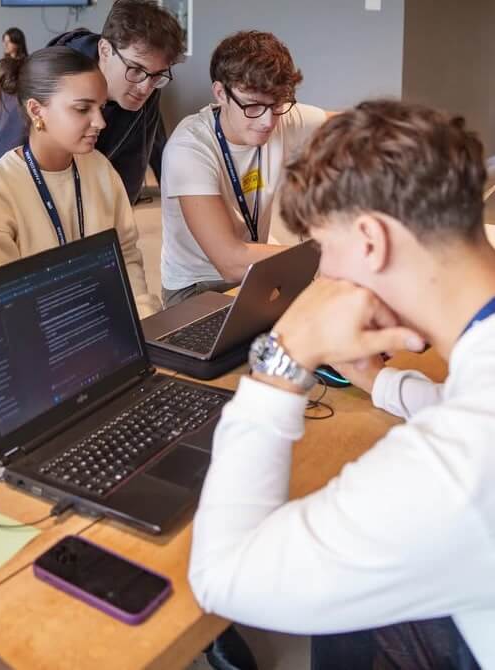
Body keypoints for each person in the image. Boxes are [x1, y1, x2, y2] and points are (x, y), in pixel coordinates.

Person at [189, 100, 495, 669]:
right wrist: (380, 382)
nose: (323, 276)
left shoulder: (459, 467)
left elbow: (222, 577)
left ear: (372, 240)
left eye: (325, 251)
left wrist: (284, 356)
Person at [0, 47, 160, 319]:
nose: (100, 122)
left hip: (109, 328)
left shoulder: (100, 170)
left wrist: (141, 320)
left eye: (100, 107)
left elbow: (127, 255)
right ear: (37, 111)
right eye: (82, 108)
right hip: (43, 348)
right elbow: (2, 316)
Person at [160, 31, 328, 307]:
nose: (267, 121)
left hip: (257, 271)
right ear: (220, 93)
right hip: (200, 285)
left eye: (277, 105)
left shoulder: (280, 115)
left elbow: (355, 127)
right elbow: (229, 261)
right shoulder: (189, 148)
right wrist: (325, 252)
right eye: (252, 106)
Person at [0, 0, 184, 204]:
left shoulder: (146, 84)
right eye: (135, 69)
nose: (146, 87)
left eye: (157, 76)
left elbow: (129, 174)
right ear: (105, 50)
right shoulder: (54, 77)